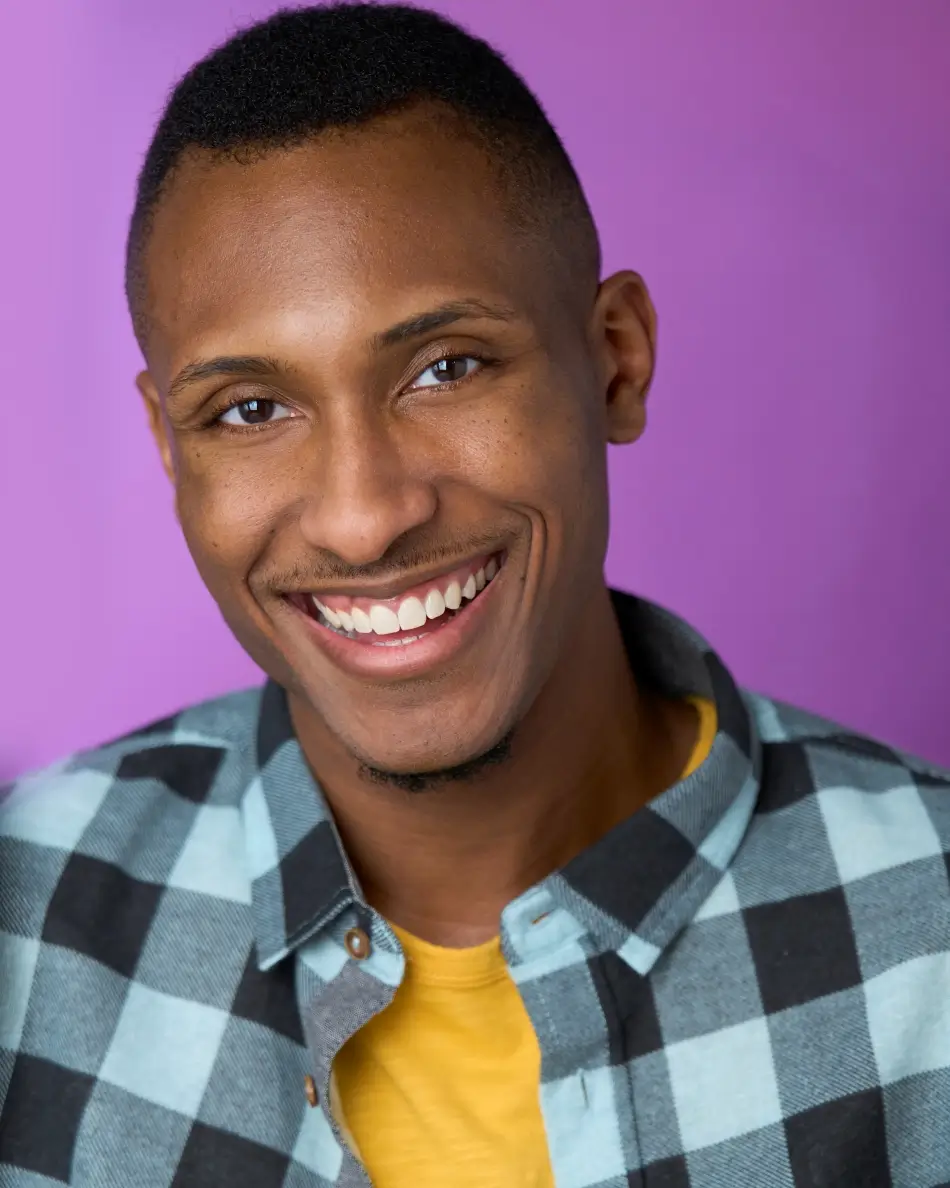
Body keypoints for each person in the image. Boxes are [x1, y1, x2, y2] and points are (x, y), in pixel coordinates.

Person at [1, 4, 948, 1186]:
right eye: (249, 409)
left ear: (614, 356)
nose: (362, 514)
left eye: (446, 369)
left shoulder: (931, 938)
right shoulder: (24, 922)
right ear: (166, 443)